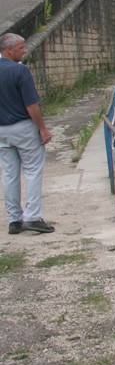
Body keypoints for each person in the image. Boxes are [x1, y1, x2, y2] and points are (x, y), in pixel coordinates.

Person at [0, 33, 54, 234]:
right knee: (32, 170)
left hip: (1, 130)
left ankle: (14, 220)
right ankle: (32, 217)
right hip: (22, 127)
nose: (25, 51)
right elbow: (31, 104)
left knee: (9, 174)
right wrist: (43, 129)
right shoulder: (20, 71)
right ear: (9, 50)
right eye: (21, 48)